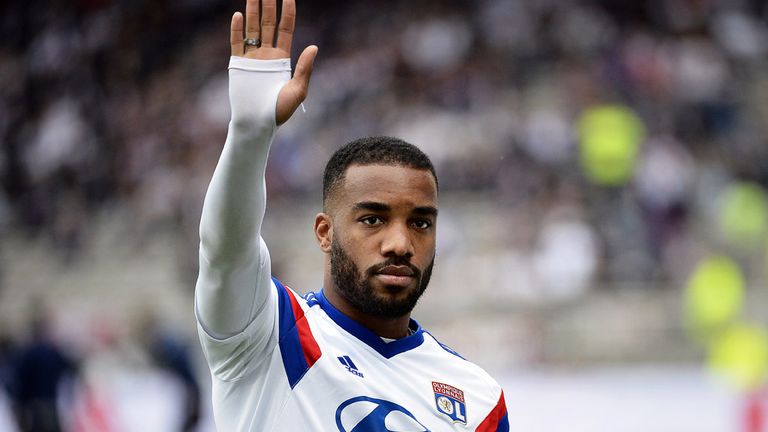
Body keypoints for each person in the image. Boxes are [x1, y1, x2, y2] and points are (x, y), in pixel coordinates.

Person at [194, 0, 509, 430]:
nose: (400, 243)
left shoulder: (478, 399)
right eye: (372, 219)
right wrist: (249, 133)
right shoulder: (268, 336)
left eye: (420, 222)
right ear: (325, 232)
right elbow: (225, 249)